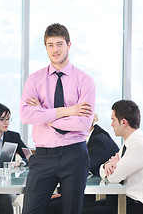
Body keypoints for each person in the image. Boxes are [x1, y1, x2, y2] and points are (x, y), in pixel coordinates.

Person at [20, 23, 96, 214]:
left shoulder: (85, 80)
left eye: (59, 44)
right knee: (30, 210)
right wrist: (67, 111)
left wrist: (44, 115)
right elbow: (26, 115)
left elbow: (83, 123)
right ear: (45, 47)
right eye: (50, 45)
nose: (55, 49)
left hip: (74, 154)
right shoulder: (34, 80)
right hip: (44, 155)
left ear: (69, 45)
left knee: (72, 211)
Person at [82, 100, 143, 214]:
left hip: (134, 207)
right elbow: (103, 171)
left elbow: (113, 178)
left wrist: (110, 168)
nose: (111, 124)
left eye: (113, 120)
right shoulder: (129, 143)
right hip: (123, 201)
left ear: (123, 122)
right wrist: (107, 166)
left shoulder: (140, 145)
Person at [45, 114, 119, 214]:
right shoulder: (92, 137)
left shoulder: (99, 140)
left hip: (104, 196)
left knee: (53, 206)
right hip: (95, 190)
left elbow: (81, 167)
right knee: (50, 203)